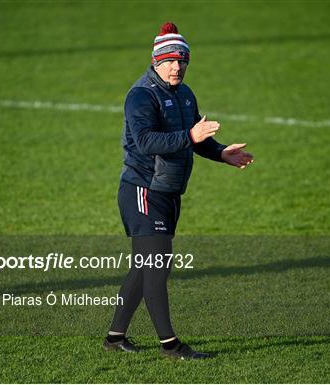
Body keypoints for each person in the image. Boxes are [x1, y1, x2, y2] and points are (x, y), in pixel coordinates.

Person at [104, 22, 254, 360]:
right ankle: (170, 345)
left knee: (144, 267)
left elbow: (196, 137)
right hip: (142, 191)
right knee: (157, 266)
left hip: (169, 192)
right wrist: (190, 137)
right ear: (156, 60)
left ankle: (114, 338)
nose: (177, 66)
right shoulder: (141, 95)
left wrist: (221, 152)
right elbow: (145, 142)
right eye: (170, 60)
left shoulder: (184, 94)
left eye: (182, 60)